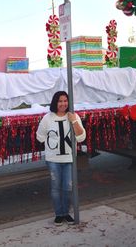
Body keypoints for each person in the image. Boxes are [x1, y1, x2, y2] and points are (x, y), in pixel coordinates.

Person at [36, 91, 86, 226]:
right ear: (55, 102)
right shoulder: (47, 118)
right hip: (53, 160)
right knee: (55, 188)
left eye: (65, 101)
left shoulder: (73, 116)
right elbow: (39, 136)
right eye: (60, 101)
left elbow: (81, 137)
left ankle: (66, 213)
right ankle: (59, 214)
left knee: (68, 187)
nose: (63, 103)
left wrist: (74, 121)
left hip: (69, 159)